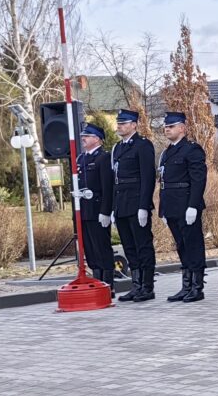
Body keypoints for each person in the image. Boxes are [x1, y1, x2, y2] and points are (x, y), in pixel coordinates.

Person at [158, 112, 208, 302]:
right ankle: (186, 286)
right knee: (181, 245)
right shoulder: (167, 152)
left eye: (171, 126)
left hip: (186, 205)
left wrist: (193, 206)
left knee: (193, 245)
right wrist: (163, 209)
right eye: (166, 126)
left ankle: (197, 287)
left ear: (182, 128)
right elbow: (163, 183)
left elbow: (198, 180)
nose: (167, 129)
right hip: (171, 206)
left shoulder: (192, 150)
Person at [112, 109, 157, 302]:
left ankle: (147, 287)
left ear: (134, 125)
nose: (119, 126)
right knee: (129, 247)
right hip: (121, 205)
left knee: (143, 246)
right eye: (118, 123)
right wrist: (113, 208)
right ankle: (136, 285)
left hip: (136, 203)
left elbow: (147, 178)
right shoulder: (117, 148)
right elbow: (115, 180)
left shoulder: (143, 145)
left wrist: (143, 206)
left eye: (123, 123)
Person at [77, 124, 115, 296]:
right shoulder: (81, 159)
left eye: (87, 136)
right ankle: (97, 282)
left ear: (97, 139)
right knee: (90, 249)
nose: (83, 138)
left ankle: (107, 285)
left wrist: (106, 211)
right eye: (83, 136)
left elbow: (107, 187)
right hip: (84, 211)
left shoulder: (103, 158)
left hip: (97, 210)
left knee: (101, 247)